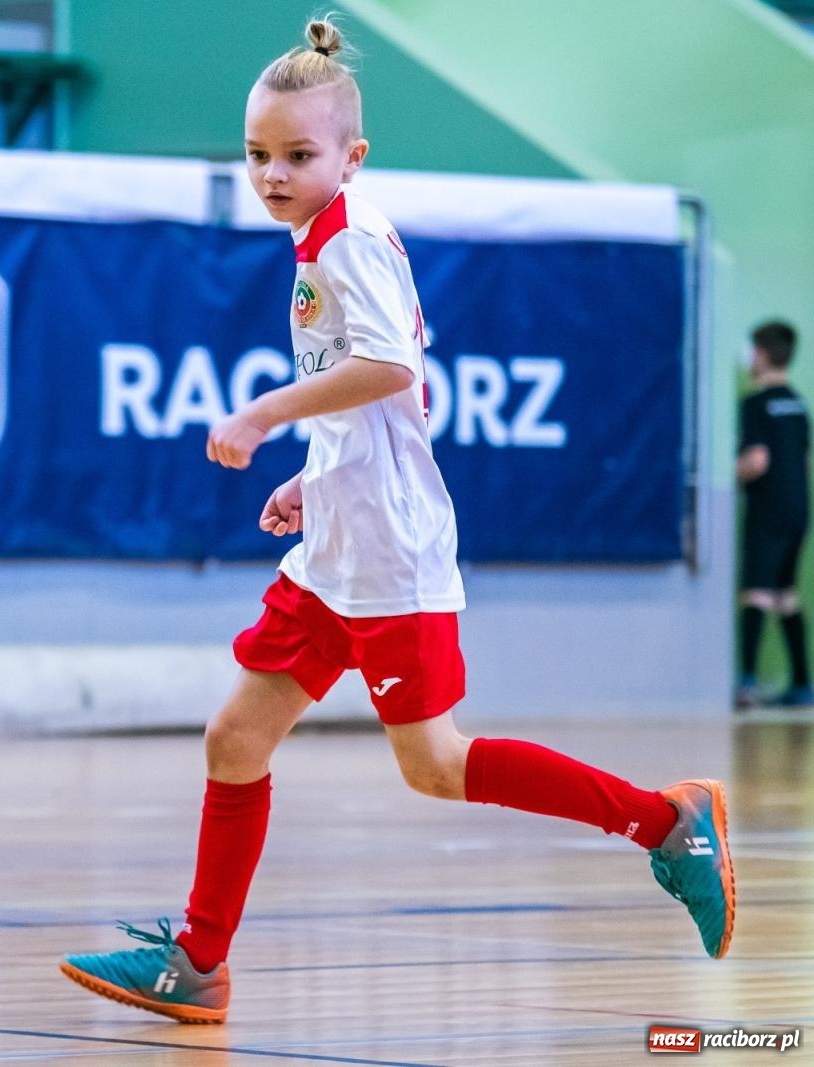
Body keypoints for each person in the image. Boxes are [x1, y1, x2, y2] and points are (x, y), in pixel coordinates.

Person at [57, 16, 735, 1025]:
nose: (273, 173)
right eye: (256, 155)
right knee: (235, 738)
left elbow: (392, 368)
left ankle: (666, 822)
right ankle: (197, 962)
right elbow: (368, 397)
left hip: (388, 554)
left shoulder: (345, 243)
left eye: (296, 155)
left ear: (350, 156)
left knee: (436, 765)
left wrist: (261, 413)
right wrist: (313, 473)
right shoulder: (321, 237)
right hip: (337, 539)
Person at [737, 321, 811, 708]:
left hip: (768, 510)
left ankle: (746, 682)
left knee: (757, 593)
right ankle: (802, 683)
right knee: (786, 594)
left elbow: (757, 461)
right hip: (799, 510)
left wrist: (733, 472)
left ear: (762, 354)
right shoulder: (799, 404)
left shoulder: (755, 403)